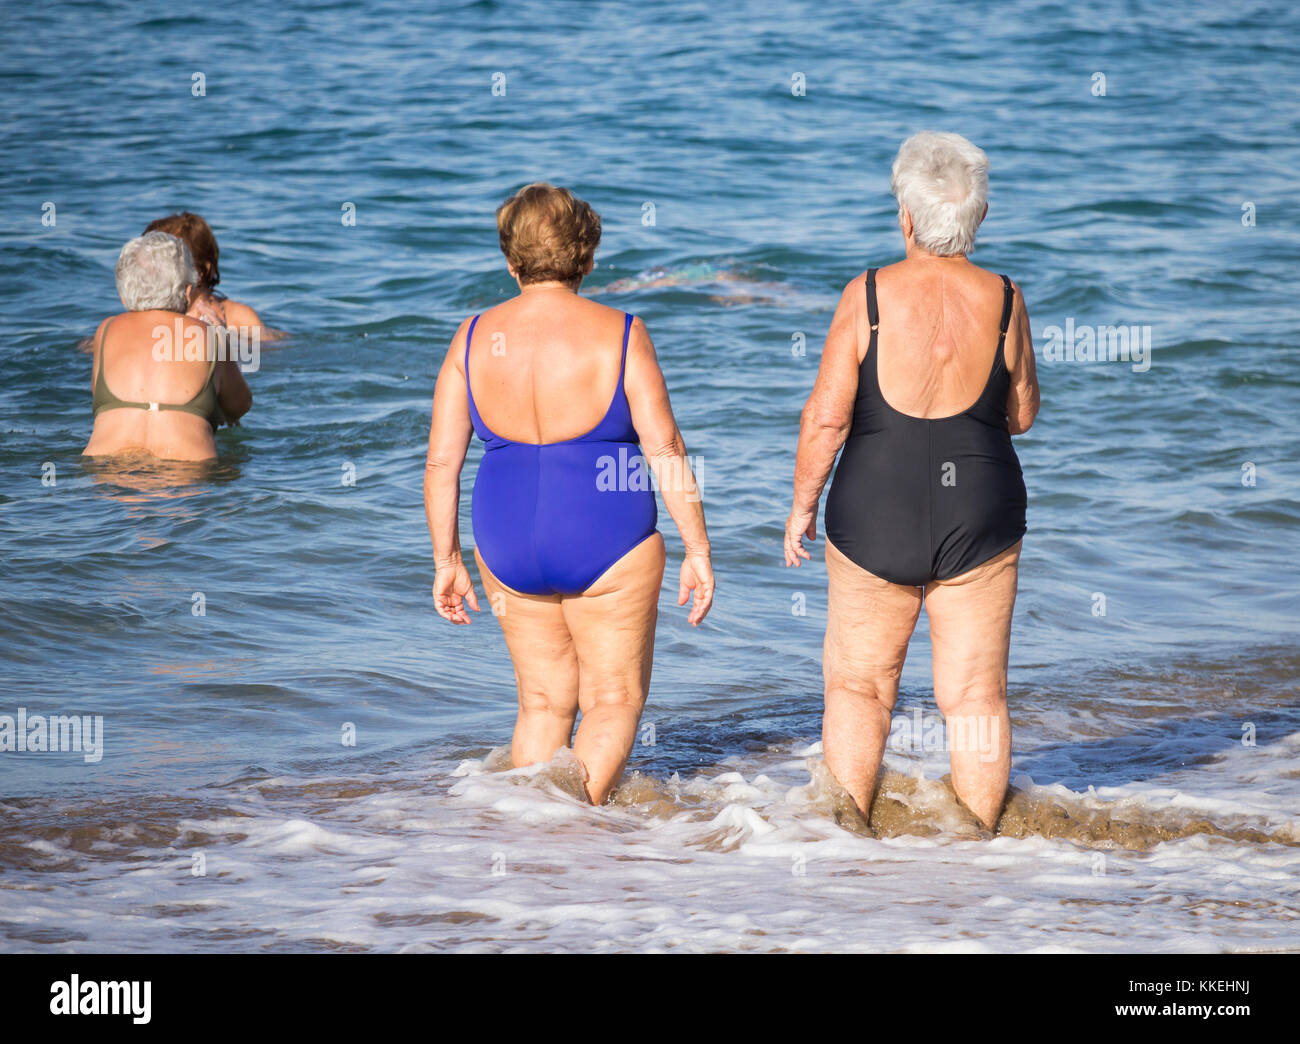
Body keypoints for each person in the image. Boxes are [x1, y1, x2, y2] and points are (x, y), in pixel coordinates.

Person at [424, 182, 714, 804]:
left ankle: (523, 840)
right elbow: (664, 450)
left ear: (510, 261)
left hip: (503, 544)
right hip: (606, 536)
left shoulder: (473, 337)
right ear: (587, 256)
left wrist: (446, 561)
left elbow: (442, 464)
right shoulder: (621, 332)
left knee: (542, 704)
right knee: (612, 699)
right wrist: (699, 548)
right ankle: (569, 845)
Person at [785, 132, 1039, 830]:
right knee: (977, 694)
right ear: (977, 219)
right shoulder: (1006, 298)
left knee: (859, 688)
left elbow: (826, 420)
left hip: (875, 509)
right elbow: (1021, 414)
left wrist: (801, 506)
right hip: (981, 511)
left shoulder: (867, 294)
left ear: (905, 218)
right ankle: (982, 841)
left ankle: (845, 843)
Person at [83, 232, 251, 461]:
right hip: (185, 479)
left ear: (123, 295)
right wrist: (223, 339)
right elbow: (239, 406)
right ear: (188, 291)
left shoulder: (106, 331)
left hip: (107, 474)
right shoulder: (208, 336)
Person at [144, 211, 272, 335]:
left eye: (165, 265)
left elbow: (268, 351)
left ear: (202, 271)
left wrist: (225, 344)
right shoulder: (144, 315)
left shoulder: (239, 319)